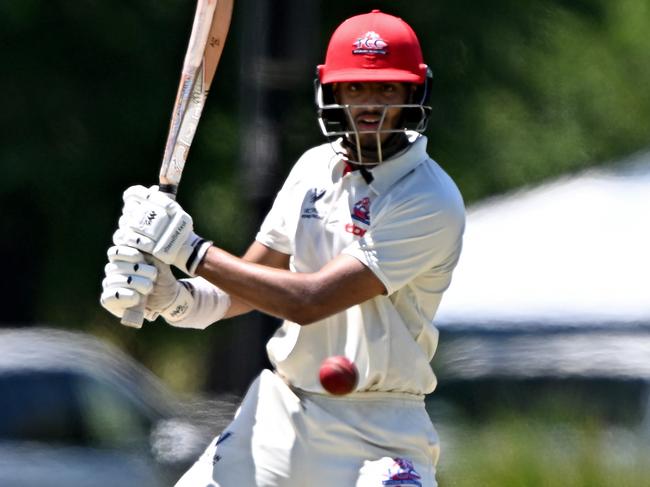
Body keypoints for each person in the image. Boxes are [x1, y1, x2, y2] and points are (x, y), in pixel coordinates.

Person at [101, 9, 465, 487]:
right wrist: (176, 298)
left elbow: (308, 299)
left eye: (386, 88)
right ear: (332, 91)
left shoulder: (428, 197)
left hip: (382, 429)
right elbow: (249, 287)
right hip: (283, 412)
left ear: (413, 93)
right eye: (355, 88)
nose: (370, 104)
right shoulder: (315, 168)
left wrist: (188, 248)